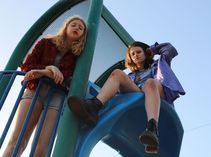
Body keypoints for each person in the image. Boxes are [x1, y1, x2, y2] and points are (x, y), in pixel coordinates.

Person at [67, 41, 185, 154]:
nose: (135, 56)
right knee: (117, 73)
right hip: (138, 93)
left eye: (138, 52)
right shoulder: (131, 76)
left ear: (145, 52)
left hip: (156, 92)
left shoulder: (159, 65)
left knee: (150, 82)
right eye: (132, 54)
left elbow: (170, 49)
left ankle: (152, 128)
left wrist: (152, 50)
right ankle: (94, 106)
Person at [2, 15, 87, 157]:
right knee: (18, 140)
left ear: (83, 35)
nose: (77, 28)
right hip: (35, 88)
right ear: (66, 27)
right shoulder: (46, 43)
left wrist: (44, 71)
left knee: (42, 148)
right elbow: (27, 66)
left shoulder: (78, 55)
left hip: (56, 95)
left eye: (81, 28)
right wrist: (50, 69)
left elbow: (66, 76)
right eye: (74, 24)